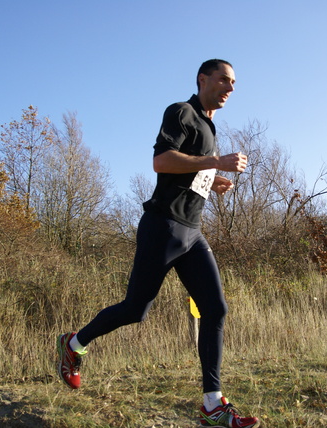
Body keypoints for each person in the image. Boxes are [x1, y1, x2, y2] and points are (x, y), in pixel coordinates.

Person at [56, 59, 260, 428]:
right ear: (203, 79)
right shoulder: (181, 111)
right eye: (223, 80)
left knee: (215, 309)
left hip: (193, 232)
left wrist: (212, 179)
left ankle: (212, 404)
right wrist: (216, 161)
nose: (230, 88)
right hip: (163, 227)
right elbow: (162, 161)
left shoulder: (209, 126)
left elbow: (188, 169)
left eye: (234, 83)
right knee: (136, 310)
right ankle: (73, 344)